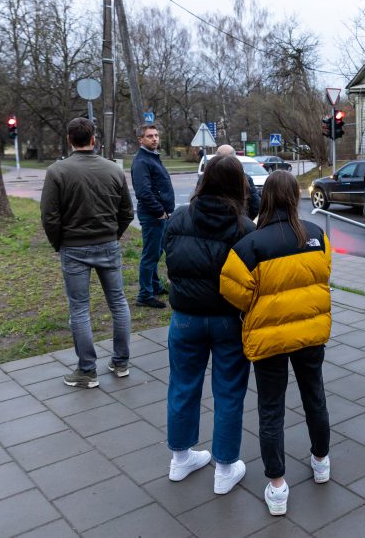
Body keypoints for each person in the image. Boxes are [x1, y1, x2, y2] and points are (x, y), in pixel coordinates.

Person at [220, 170, 332, 517]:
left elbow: (233, 292)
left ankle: (278, 486)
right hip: (310, 335)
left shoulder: (249, 247)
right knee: (314, 396)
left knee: (271, 409)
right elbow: (324, 274)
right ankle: (321, 461)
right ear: (294, 198)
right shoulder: (317, 236)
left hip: (268, 340)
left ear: (265, 198)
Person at [163, 154, 255, 494]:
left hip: (185, 317)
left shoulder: (179, 217)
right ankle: (225, 467)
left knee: (182, 385)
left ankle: (180, 458)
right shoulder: (245, 228)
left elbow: (169, 259)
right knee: (229, 390)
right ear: (238, 185)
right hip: (229, 319)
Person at [40, 117, 133, 388]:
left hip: (74, 247)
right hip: (108, 245)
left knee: (79, 309)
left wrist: (59, 243)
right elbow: (127, 212)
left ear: (69, 139)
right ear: (94, 139)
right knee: (118, 302)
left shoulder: (57, 171)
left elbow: (50, 216)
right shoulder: (113, 170)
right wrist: (112, 235)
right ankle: (121, 362)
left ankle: (87, 370)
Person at [131, 123, 175, 309]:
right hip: (153, 215)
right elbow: (143, 192)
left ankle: (155, 287)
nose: (154, 138)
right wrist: (159, 211)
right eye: (150, 136)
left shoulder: (152, 157)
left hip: (159, 215)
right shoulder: (142, 161)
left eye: (156, 135)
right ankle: (145, 295)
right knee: (150, 255)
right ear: (141, 139)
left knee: (156, 252)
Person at [214, 144, 259, 219]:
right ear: (235, 158)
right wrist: (247, 220)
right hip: (240, 223)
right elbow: (255, 205)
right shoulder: (245, 179)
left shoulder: (205, 178)